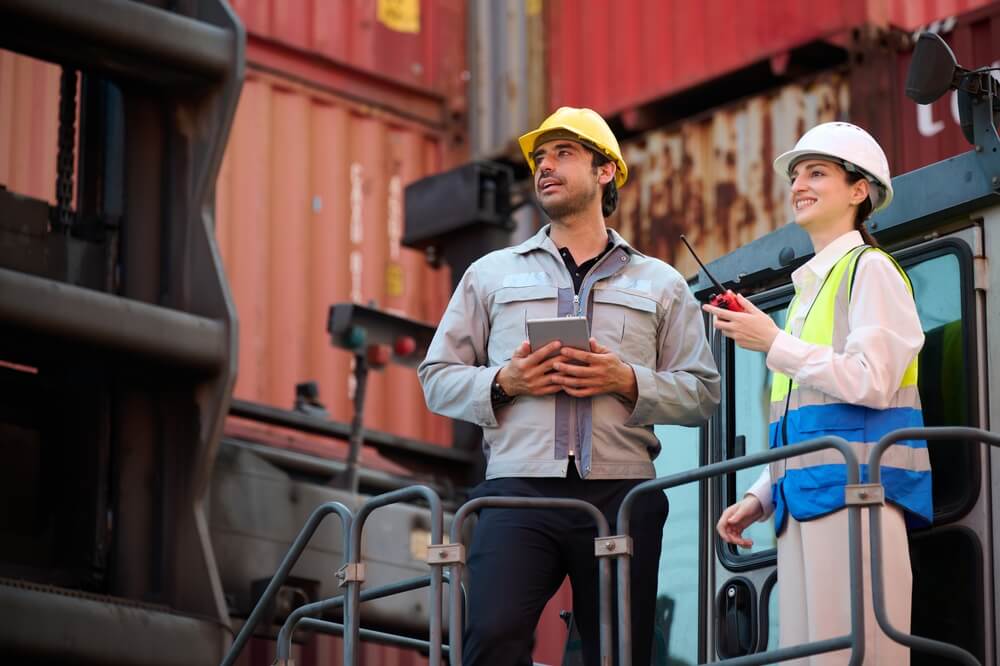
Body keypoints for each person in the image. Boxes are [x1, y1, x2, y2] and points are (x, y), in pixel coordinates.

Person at [418, 106, 720, 666]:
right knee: (491, 638)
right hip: (516, 491)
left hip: (622, 494)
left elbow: (703, 393)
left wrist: (626, 381)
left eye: (563, 153)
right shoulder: (490, 274)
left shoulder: (661, 283)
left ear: (605, 171)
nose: (545, 166)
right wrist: (504, 382)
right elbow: (436, 379)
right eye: (539, 157)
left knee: (618, 654)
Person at [705, 122, 932, 665]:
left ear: (859, 190)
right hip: (803, 503)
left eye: (816, 173)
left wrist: (774, 342)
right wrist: (760, 496)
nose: (798, 185)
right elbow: (809, 418)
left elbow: (873, 381)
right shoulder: (807, 295)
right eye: (795, 175)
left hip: (859, 496)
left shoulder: (871, 270)